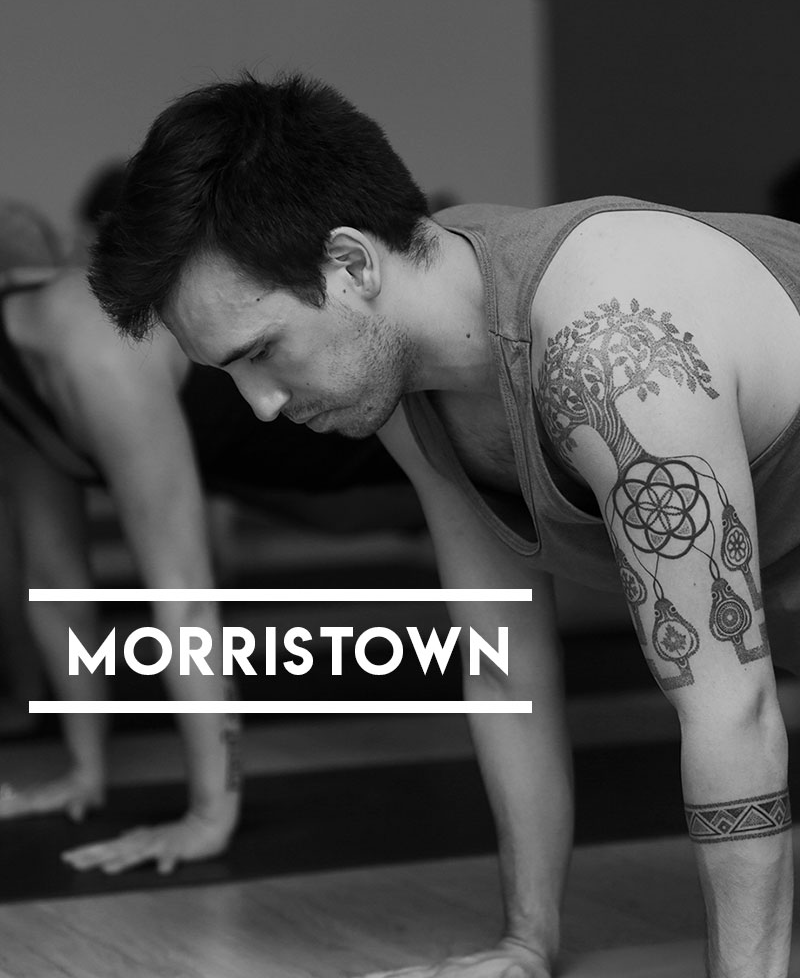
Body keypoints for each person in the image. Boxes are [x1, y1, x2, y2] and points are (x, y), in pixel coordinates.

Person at [88, 72, 800, 977]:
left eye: (262, 353)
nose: (259, 405)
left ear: (351, 265)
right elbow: (506, 669)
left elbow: (729, 704)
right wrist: (526, 943)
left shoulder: (611, 348)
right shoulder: (407, 383)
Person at [0, 196, 408, 876]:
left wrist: (208, 814)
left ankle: (218, 805)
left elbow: (185, 597)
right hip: (289, 479)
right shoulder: (13, 376)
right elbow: (56, 583)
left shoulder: (89, 348)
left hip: (362, 459)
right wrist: (84, 772)